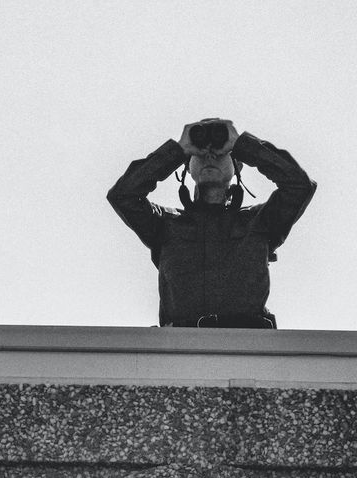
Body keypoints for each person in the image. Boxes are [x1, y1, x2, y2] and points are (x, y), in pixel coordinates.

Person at [107, 119, 315, 328]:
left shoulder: (259, 221)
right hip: (182, 349)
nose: (210, 156)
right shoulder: (165, 224)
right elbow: (123, 195)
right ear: (188, 166)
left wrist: (242, 144)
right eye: (200, 153)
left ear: (237, 165)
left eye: (220, 152)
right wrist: (178, 150)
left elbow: (299, 186)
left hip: (248, 349)